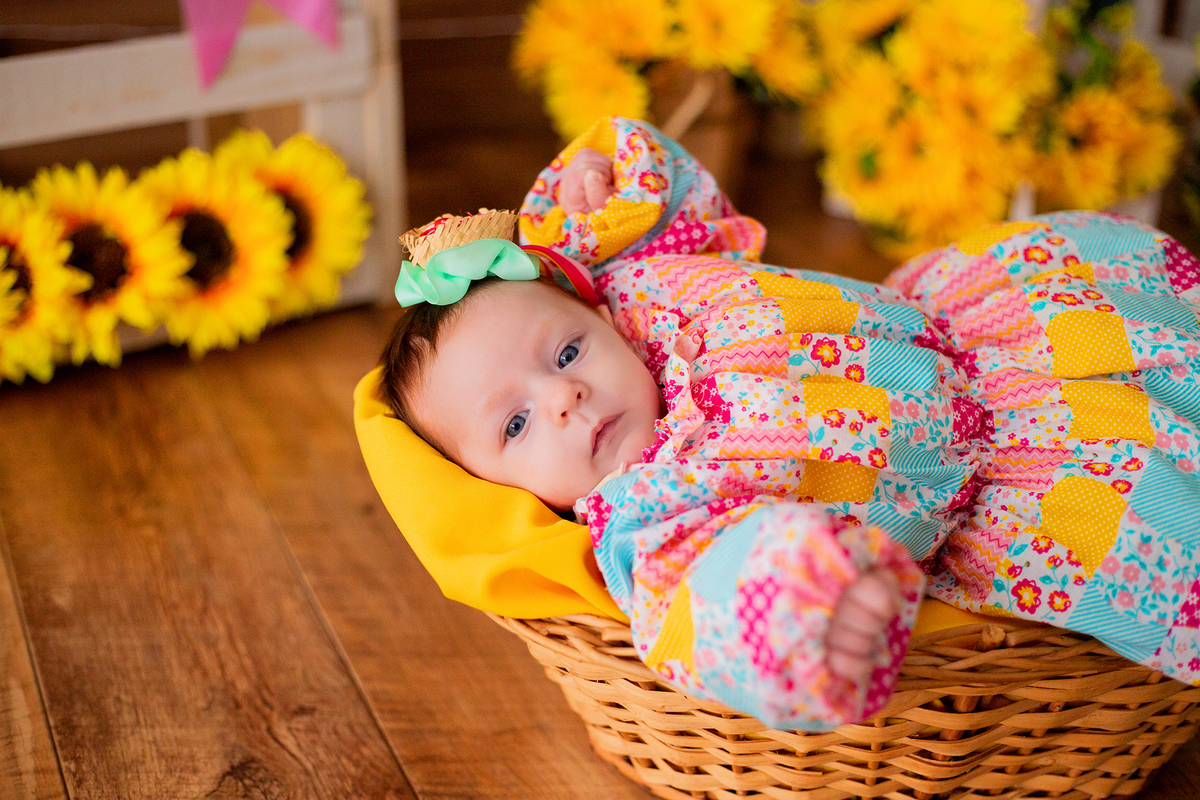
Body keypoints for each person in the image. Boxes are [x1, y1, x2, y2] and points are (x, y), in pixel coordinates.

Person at [379, 116, 1200, 729]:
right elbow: (701, 601)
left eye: (565, 353)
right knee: (1167, 527)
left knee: (1142, 299)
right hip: (1014, 491)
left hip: (979, 320)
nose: (563, 397)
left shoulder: (641, 288)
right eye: (516, 426)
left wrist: (604, 193)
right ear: (490, 485)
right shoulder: (648, 512)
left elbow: (681, 208)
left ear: (595, 315)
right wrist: (809, 604)